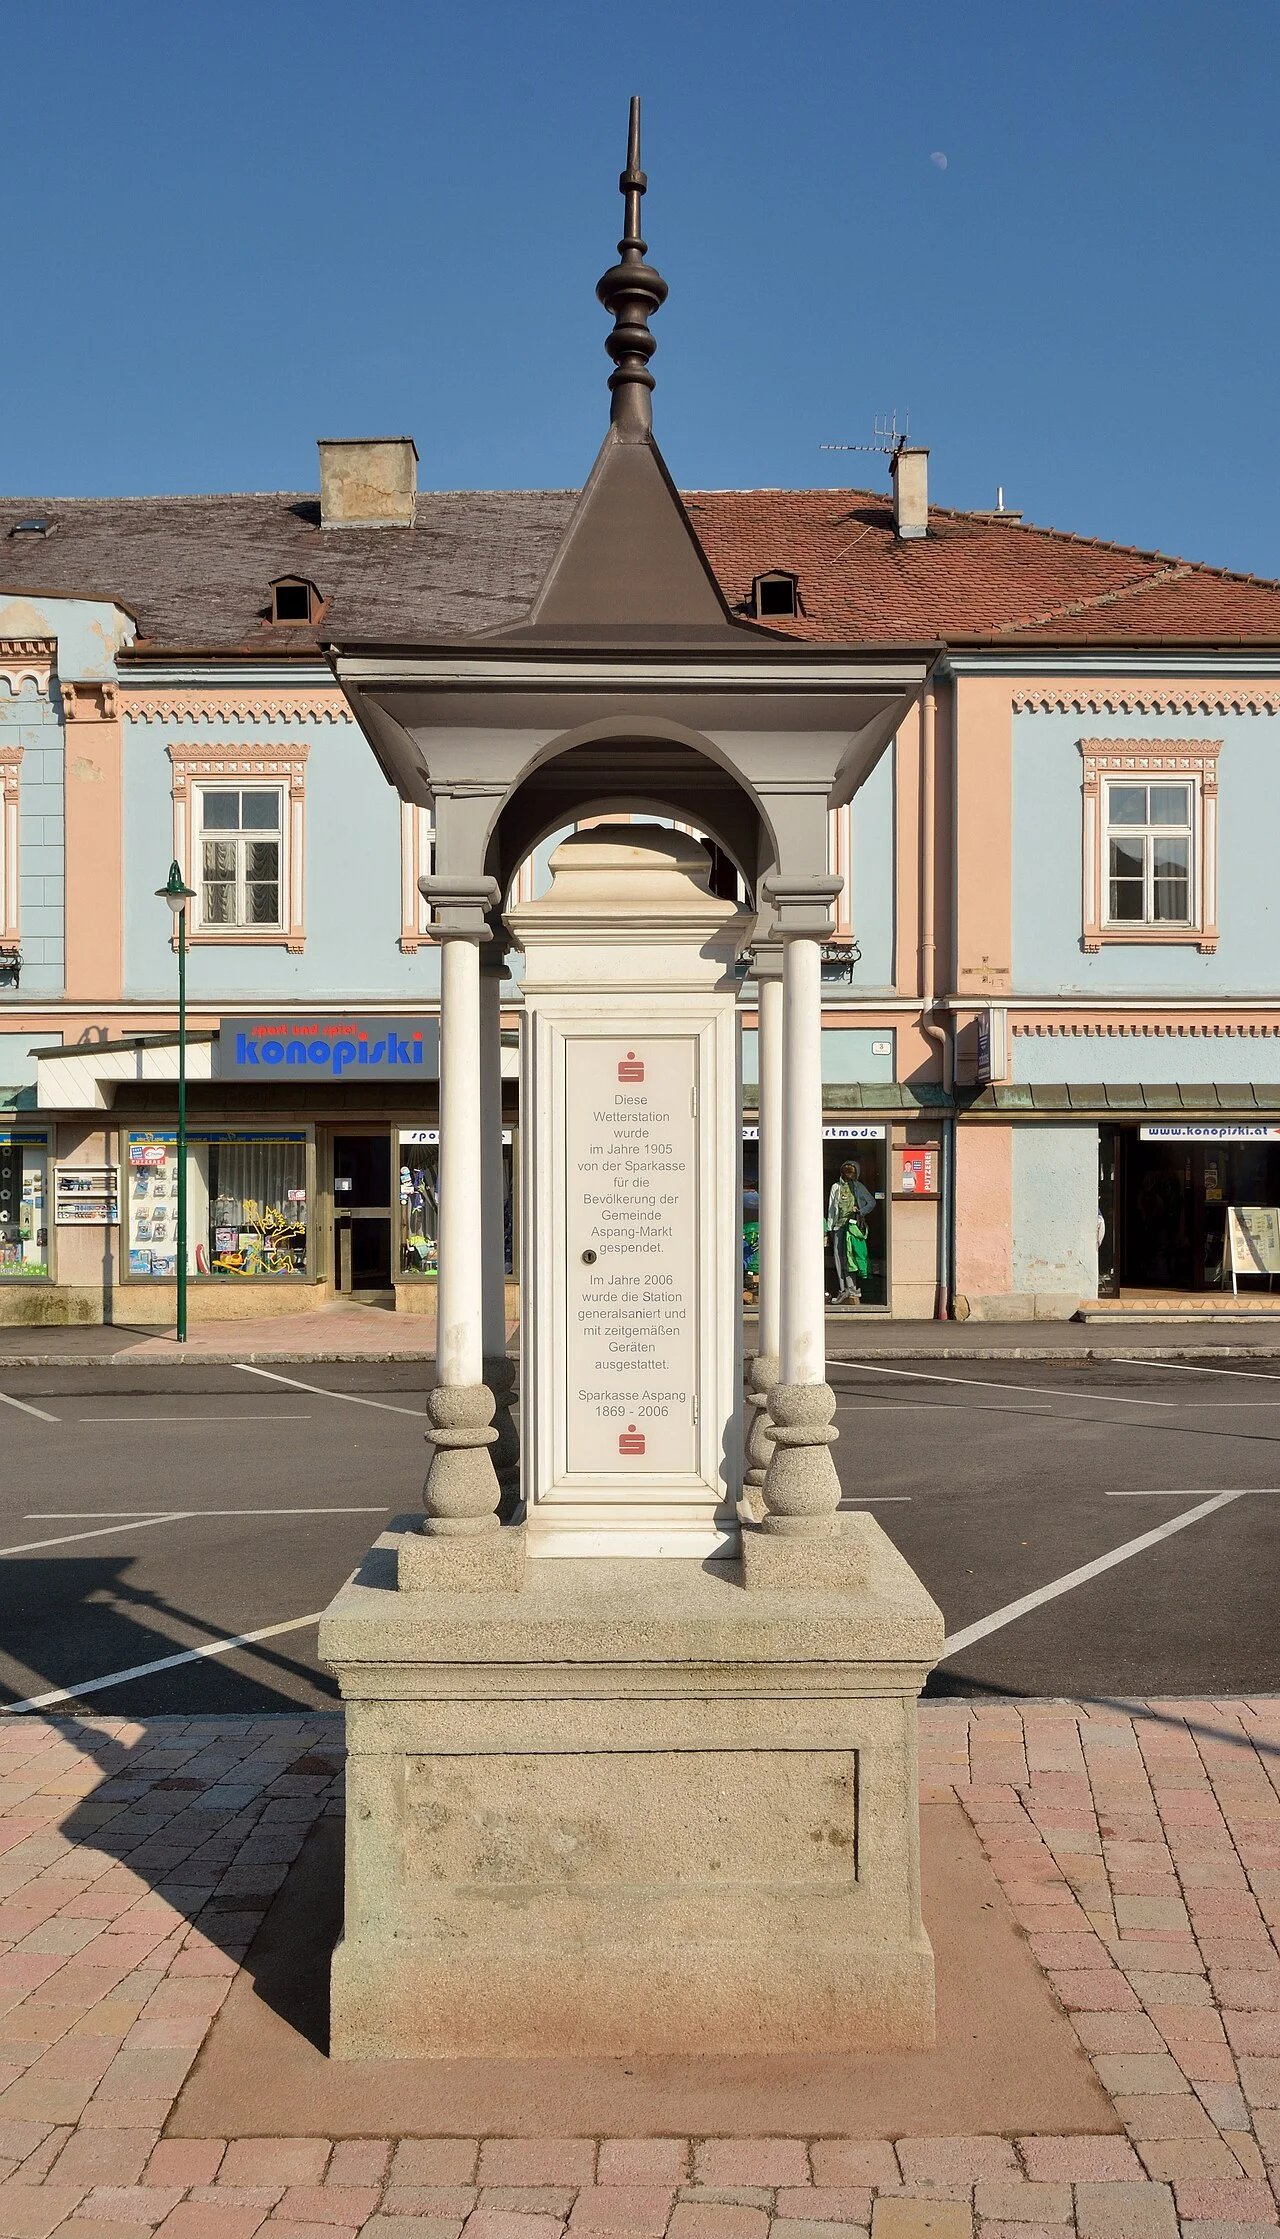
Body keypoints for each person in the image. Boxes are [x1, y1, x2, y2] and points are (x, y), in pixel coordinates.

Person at [826, 1160, 873, 1302]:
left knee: (851, 1257)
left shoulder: (858, 1187)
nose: (848, 1176)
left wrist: (860, 1211)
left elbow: (871, 1202)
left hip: (852, 1227)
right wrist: (830, 1227)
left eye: (851, 1173)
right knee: (839, 1258)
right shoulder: (836, 1187)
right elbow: (831, 1208)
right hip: (838, 1226)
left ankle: (852, 1288)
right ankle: (843, 1289)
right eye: (846, 1172)